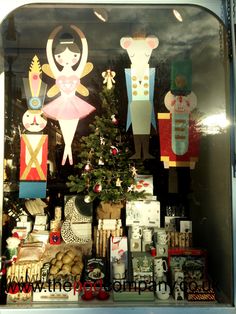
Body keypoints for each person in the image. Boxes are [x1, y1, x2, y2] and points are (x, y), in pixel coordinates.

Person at [43, 25, 95, 165]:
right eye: (60, 55)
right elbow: (49, 55)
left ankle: (68, 149)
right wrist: (53, 36)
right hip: (62, 103)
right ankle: (67, 149)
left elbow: (84, 56)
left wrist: (81, 35)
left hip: (73, 102)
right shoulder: (59, 72)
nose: (66, 59)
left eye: (72, 55)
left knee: (71, 126)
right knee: (65, 126)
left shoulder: (76, 72)